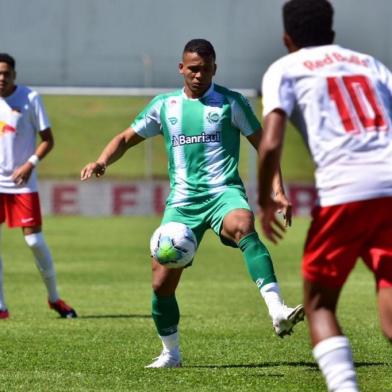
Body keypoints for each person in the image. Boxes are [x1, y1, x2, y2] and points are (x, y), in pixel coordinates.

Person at [81, 38, 304, 368]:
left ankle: (277, 310)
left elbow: (264, 147)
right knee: (161, 284)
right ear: (181, 68)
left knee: (243, 226)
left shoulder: (232, 103)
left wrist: (277, 192)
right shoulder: (164, 106)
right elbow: (126, 138)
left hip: (223, 193)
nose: (200, 75)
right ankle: (171, 353)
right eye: (194, 69)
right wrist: (102, 160)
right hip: (182, 203)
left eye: (207, 69)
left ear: (216, 68)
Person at [257, 1, 392, 391]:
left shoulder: (285, 68)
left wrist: (267, 201)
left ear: (287, 39)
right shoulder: (371, 64)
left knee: (318, 305)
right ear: (332, 33)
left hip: (344, 192)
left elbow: (270, 145)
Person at [0, 53, 77, 319]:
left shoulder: (30, 99)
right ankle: (1, 307)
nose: (1, 78)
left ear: (14, 75)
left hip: (22, 184)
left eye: (6, 73)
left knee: (34, 240)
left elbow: (48, 140)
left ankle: (54, 299)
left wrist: (29, 163)